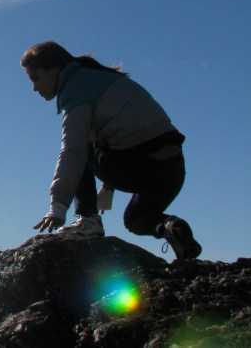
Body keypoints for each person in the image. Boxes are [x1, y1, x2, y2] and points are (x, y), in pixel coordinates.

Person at [21, 41, 202, 260]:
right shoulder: (101, 78)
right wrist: (107, 187)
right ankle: (169, 227)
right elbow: (127, 131)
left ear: (54, 69)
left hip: (139, 164)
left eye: (35, 78)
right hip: (172, 169)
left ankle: (88, 219)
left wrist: (58, 207)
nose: (34, 87)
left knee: (81, 147)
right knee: (136, 220)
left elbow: (74, 151)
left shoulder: (76, 86)